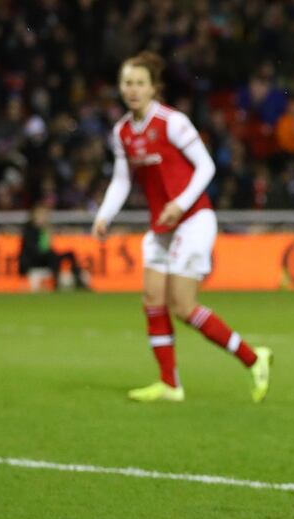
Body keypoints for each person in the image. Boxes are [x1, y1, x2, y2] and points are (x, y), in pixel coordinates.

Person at [92, 51, 272, 403]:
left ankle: (254, 358)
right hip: (161, 226)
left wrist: (179, 203)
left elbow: (205, 167)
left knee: (183, 306)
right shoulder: (122, 132)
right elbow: (121, 180)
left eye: (140, 83)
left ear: (153, 87)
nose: (132, 89)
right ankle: (170, 385)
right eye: (127, 82)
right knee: (152, 300)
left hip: (193, 220)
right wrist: (104, 214)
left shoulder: (172, 122)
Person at [19, 203, 89, 290]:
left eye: (45, 215)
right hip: (33, 261)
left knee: (69, 254)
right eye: (41, 215)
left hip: (46, 258)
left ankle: (78, 280)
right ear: (34, 216)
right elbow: (36, 250)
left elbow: (46, 247)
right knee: (52, 255)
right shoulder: (29, 230)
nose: (44, 217)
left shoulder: (44, 229)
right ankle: (56, 283)